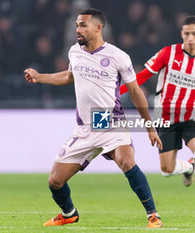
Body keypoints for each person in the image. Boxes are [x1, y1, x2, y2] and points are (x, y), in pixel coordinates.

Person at [24, 8, 163, 228]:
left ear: (98, 28)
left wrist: (149, 127)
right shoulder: (74, 52)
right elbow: (70, 76)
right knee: (55, 181)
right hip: (85, 128)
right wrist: (40, 77)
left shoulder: (118, 56)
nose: (77, 29)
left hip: (110, 122)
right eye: (77, 25)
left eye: (83, 25)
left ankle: (153, 215)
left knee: (127, 162)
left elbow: (136, 92)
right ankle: (69, 214)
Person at [120, 15, 195, 217]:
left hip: (192, 115)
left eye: (194, 33)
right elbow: (142, 76)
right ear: (182, 34)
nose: (190, 38)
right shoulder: (168, 53)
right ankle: (187, 167)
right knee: (166, 170)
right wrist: (117, 92)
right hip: (165, 116)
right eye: (187, 33)